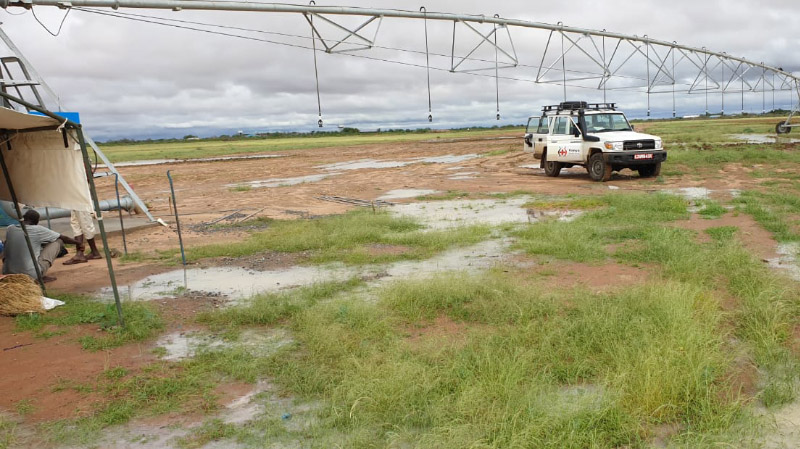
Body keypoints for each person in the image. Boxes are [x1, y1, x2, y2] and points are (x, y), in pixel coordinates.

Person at [2, 209, 82, 282]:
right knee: (58, 241)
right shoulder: (37, 229)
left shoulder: (10, 229)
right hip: (30, 275)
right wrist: (78, 243)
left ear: (24, 218)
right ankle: (40, 275)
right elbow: (63, 238)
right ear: (36, 221)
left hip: (8, 273)